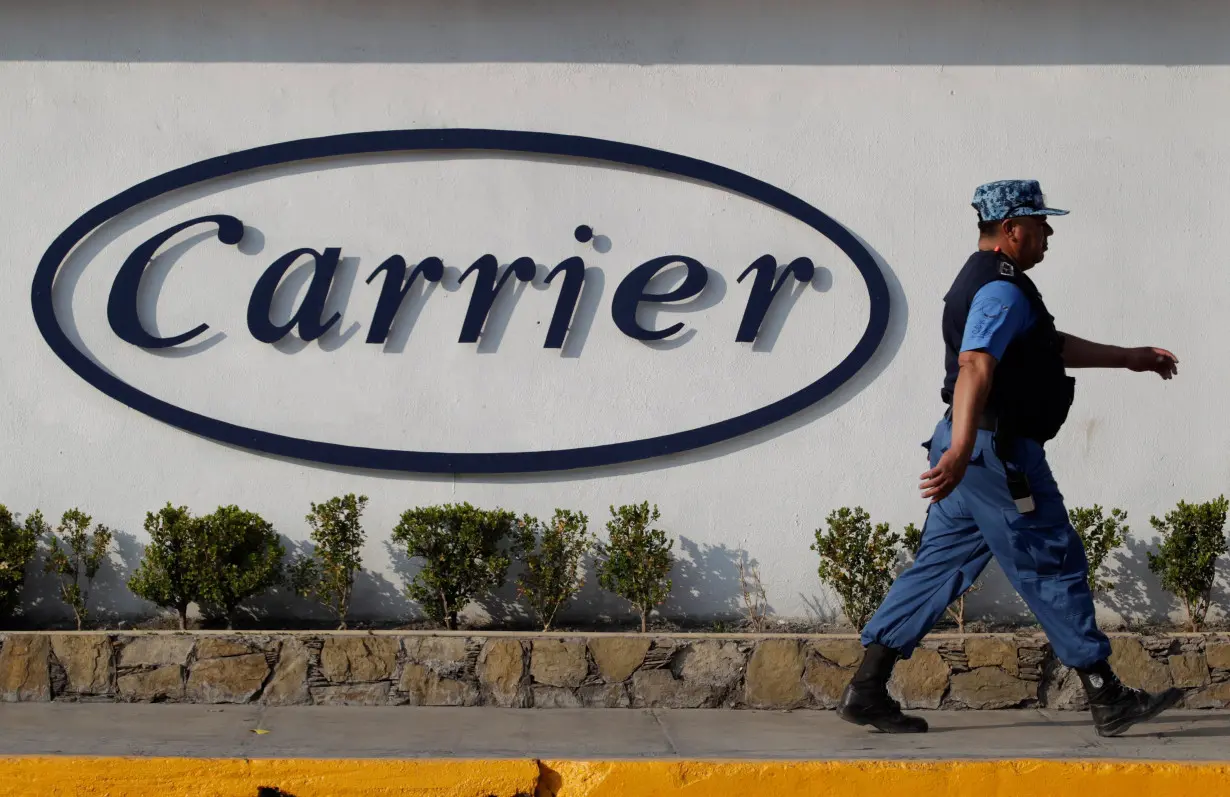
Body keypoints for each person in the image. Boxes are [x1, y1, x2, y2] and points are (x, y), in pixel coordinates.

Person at [837, 179, 1183, 737]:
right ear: (1012, 229)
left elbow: (1047, 345)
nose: (1049, 235)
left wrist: (1129, 358)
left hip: (974, 456)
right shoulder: (1000, 289)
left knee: (940, 565)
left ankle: (867, 687)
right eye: (1042, 225)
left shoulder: (995, 285)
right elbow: (975, 364)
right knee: (1051, 559)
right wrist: (961, 448)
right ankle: (1106, 693)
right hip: (996, 457)